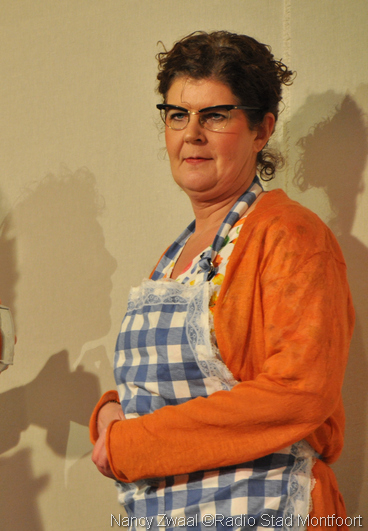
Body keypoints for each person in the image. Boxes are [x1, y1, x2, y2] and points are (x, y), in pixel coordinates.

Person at [90, 31, 354, 528]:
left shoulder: (291, 235)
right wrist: (111, 411)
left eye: (215, 115)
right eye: (177, 115)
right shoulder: (175, 256)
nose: (191, 133)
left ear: (261, 129)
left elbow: (298, 393)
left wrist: (133, 444)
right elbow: (170, 390)